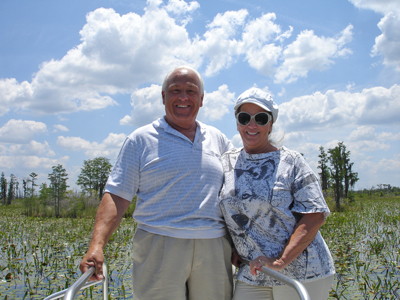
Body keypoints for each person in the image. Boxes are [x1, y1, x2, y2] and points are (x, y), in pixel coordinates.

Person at [80, 66, 234, 300]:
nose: (183, 97)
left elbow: (236, 194)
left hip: (213, 245)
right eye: (175, 90)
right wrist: (97, 245)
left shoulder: (219, 139)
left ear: (201, 99)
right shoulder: (140, 139)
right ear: (163, 97)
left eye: (191, 91)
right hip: (158, 245)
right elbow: (117, 196)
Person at [219, 87, 335, 300]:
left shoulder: (292, 161)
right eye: (244, 118)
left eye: (260, 118)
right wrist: (234, 247)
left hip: (302, 275)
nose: (251, 125)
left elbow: (315, 215)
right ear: (237, 123)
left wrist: (280, 261)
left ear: (271, 124)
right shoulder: (226, 162)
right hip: (253, 272)